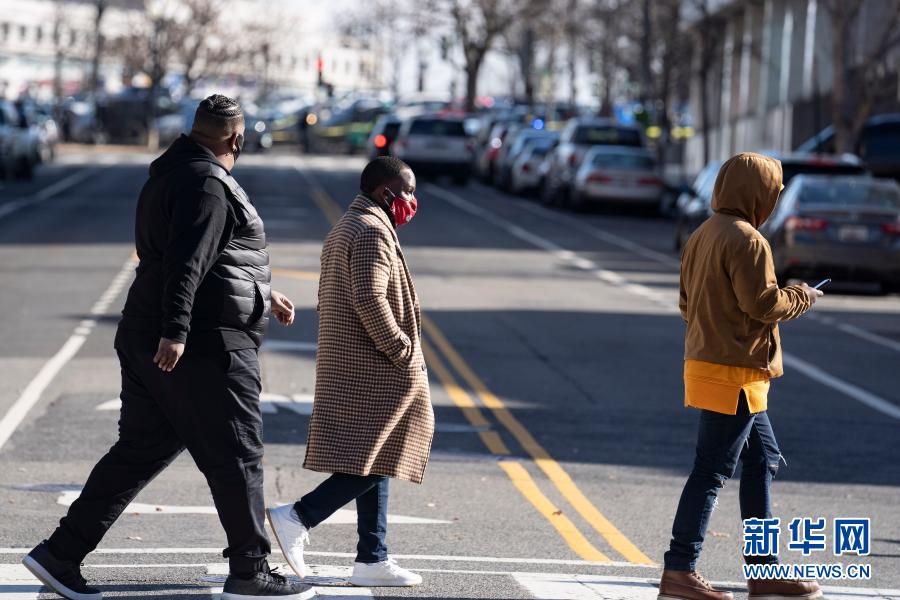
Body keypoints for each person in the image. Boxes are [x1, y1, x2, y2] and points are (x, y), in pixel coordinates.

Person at [22, 95, 312, 600]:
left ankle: (60, 555)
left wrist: (263, 294)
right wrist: (175, 332)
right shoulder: (209, 185)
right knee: (238, 453)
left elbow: (202, 260)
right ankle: (249, 570)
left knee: (140, 450)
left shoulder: (170, 174)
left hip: (148, 331)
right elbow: (186, 264)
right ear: (236, 139)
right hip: (199, 344)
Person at [658, 153, 824, 600]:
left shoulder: (701, 234)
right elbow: (765, 305)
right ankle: (680, 571)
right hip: (734, 373)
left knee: (761, 461)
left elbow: (686, 304)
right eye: (773, 191)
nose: (774, 199)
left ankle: (764, 569)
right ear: (758, 193)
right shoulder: (748, 240)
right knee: (711, 472)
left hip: (715, 368)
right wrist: (802, 295)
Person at [267, 156, 433, 587]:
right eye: (408, 190)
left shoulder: (350, 224)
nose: (413, 199)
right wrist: (401, 348)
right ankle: (298, 517)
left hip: (357, 361)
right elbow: (370, 299)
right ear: (385, 192)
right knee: (378, 453)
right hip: (373, 365)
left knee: (376, 453)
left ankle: (372, 559)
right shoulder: (371, 231)